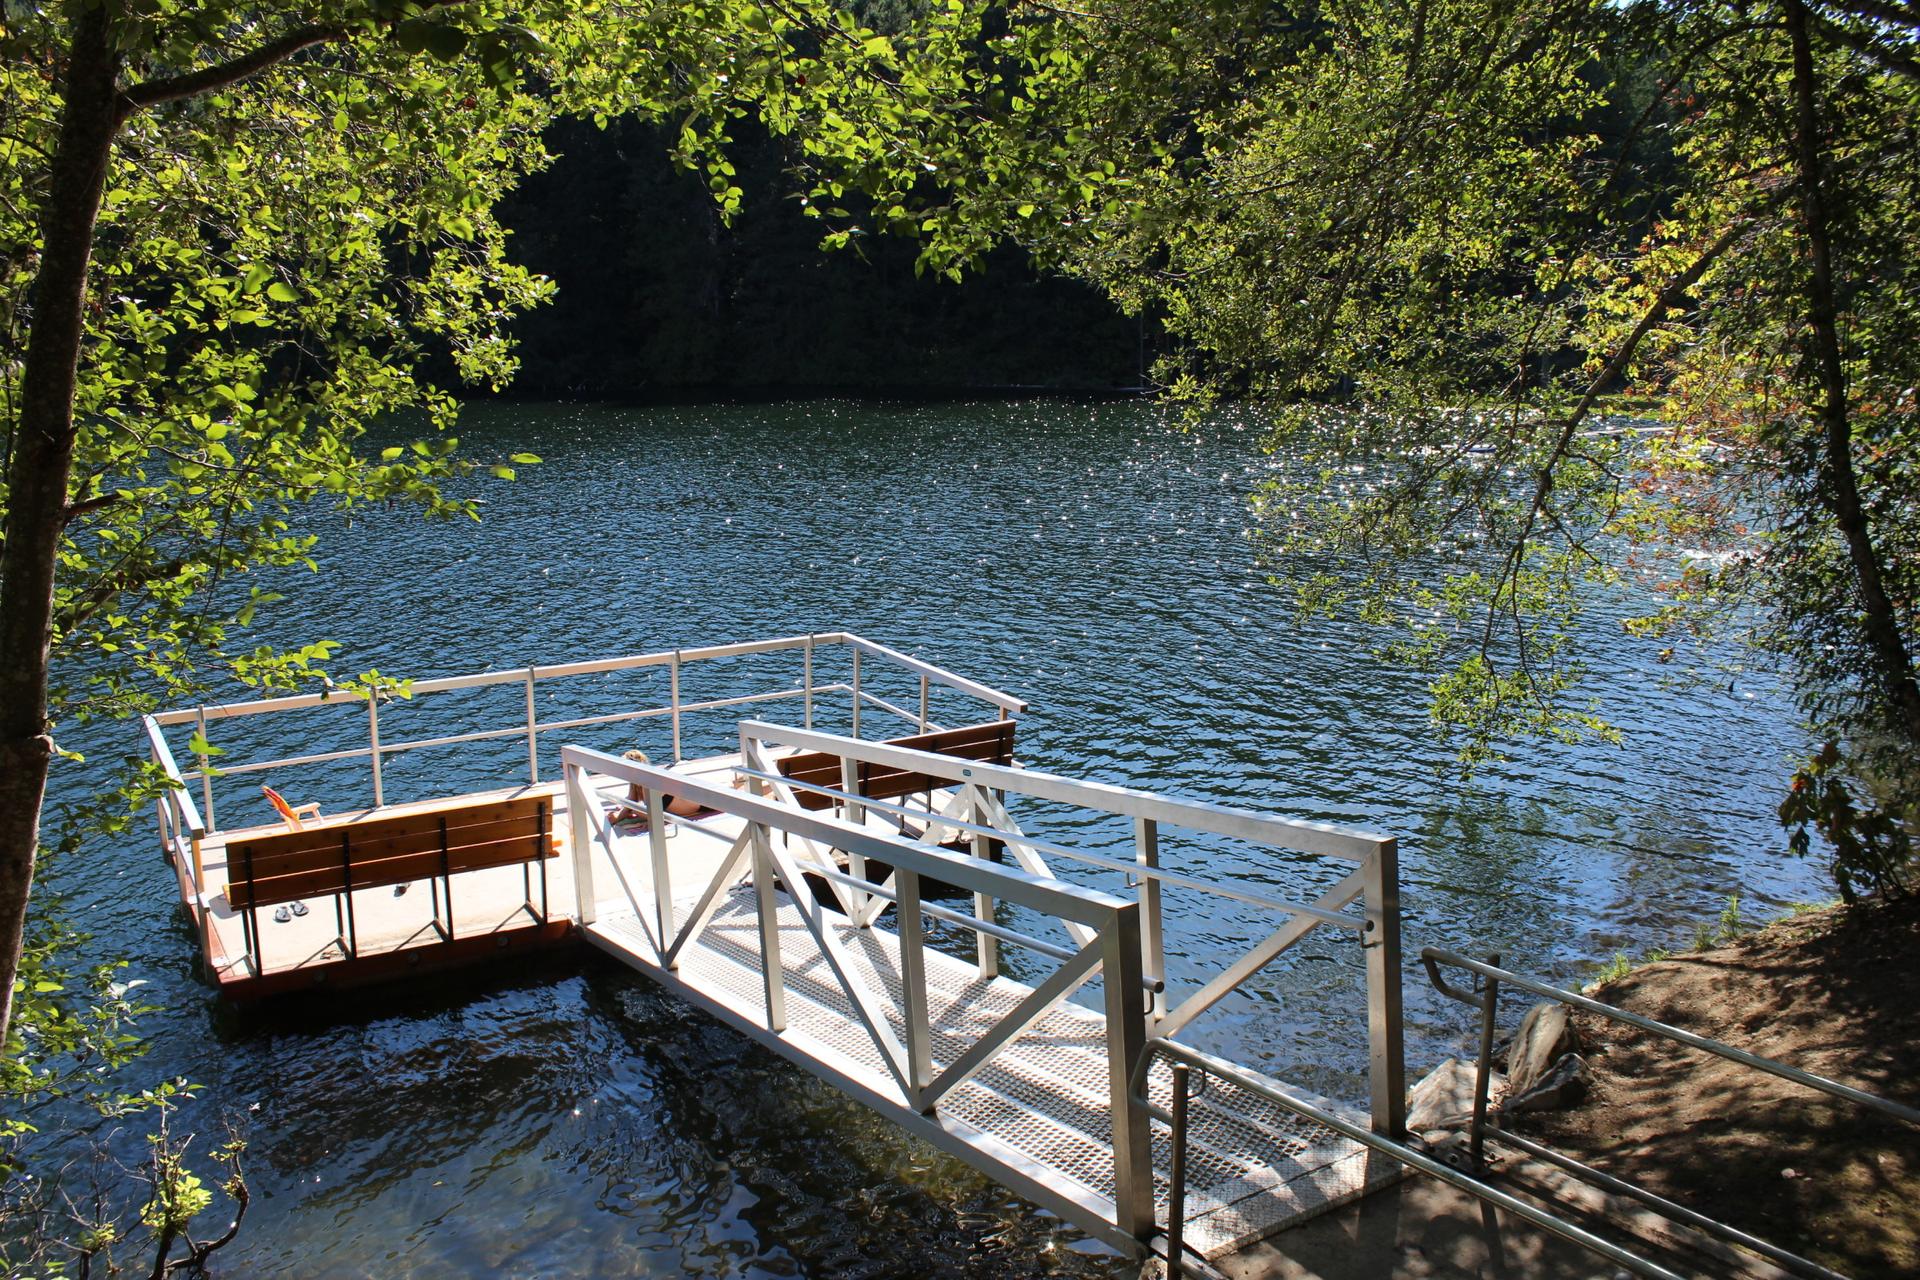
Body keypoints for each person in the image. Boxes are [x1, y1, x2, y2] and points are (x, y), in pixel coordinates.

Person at [611, 749, 709, 825]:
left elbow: (650, 812)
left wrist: (620, 815)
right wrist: (619, 815)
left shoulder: (649, 781)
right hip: (692, 802)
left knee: (636, 809)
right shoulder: (636, 781)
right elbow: (631, 800)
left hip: (700, 804)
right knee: (632, 807)